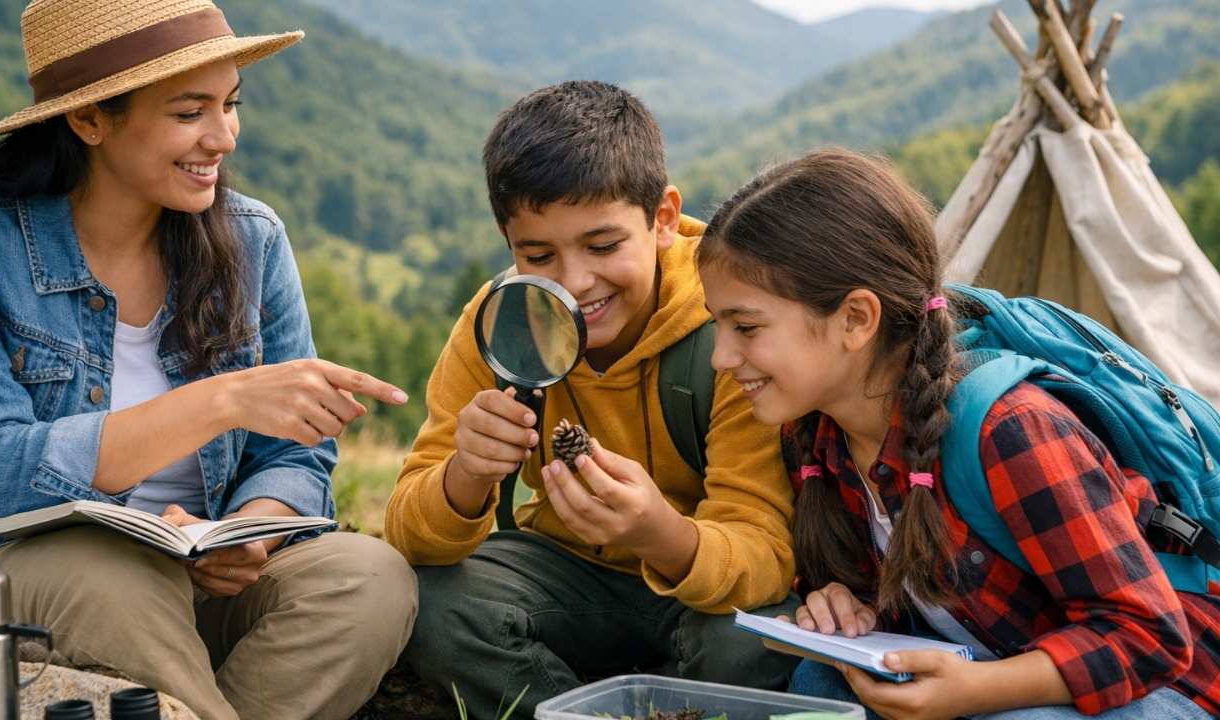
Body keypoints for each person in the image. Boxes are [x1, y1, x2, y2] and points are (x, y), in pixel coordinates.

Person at [0, 1, 417, 718]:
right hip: (42, 578)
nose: (223, 136)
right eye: (190, 111)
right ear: (90, 120)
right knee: (117, 578)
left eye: (231, 105)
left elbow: (296, 460)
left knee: (367, 576)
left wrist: (253, 529)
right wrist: (218, 402)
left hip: (198, 583)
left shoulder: (253, 240)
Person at [695, 148, 1220, 719]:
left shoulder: (1011, 431)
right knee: (819, 681)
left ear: (855, 319)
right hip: (987, 665)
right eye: (717, 325)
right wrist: (846, 608)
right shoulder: (818, 436)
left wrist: (973, 692)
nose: (723, 357)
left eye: (746, 327)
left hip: (1163, 687)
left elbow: (1152, 638)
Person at [385, 80, 799, 719]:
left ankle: (653, 693)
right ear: (508, 243)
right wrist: (465, 474)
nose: (576, 283)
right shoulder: (498, 324)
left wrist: (660, 533)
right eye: (538, 255)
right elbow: (408, 527)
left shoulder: (730, 326)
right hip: (563, 576)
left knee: (760, 638)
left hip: (703, 581)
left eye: (603, 246)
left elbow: (766, 548)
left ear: (662, 219)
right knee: (431, 603)